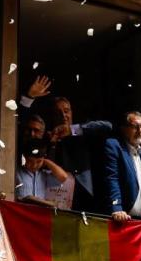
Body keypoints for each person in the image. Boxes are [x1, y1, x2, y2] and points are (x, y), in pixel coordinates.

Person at [17, 77, 114, 213]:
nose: (63, 115)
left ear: (71, 112)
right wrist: (29, 97)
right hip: (51, 198)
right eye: (58, 112)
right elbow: (18, 123)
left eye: (66, 111)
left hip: (83, 193)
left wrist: (73, 130)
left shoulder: (80, 131)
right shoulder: (45, 137)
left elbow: (107, 126)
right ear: (52, 116)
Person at [103, 112, 141, 222]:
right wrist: (116, 208)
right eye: (135, 127)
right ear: (124, 129)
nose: (140, 131)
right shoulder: (114, 146)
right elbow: (112, 178)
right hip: (122, 219)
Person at [15, 113, 75, 209]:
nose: (32, 134)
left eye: (36, 130)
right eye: (29, 130)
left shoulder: (43, 175)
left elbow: (63, 177)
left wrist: (44, 160)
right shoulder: (17, 171)